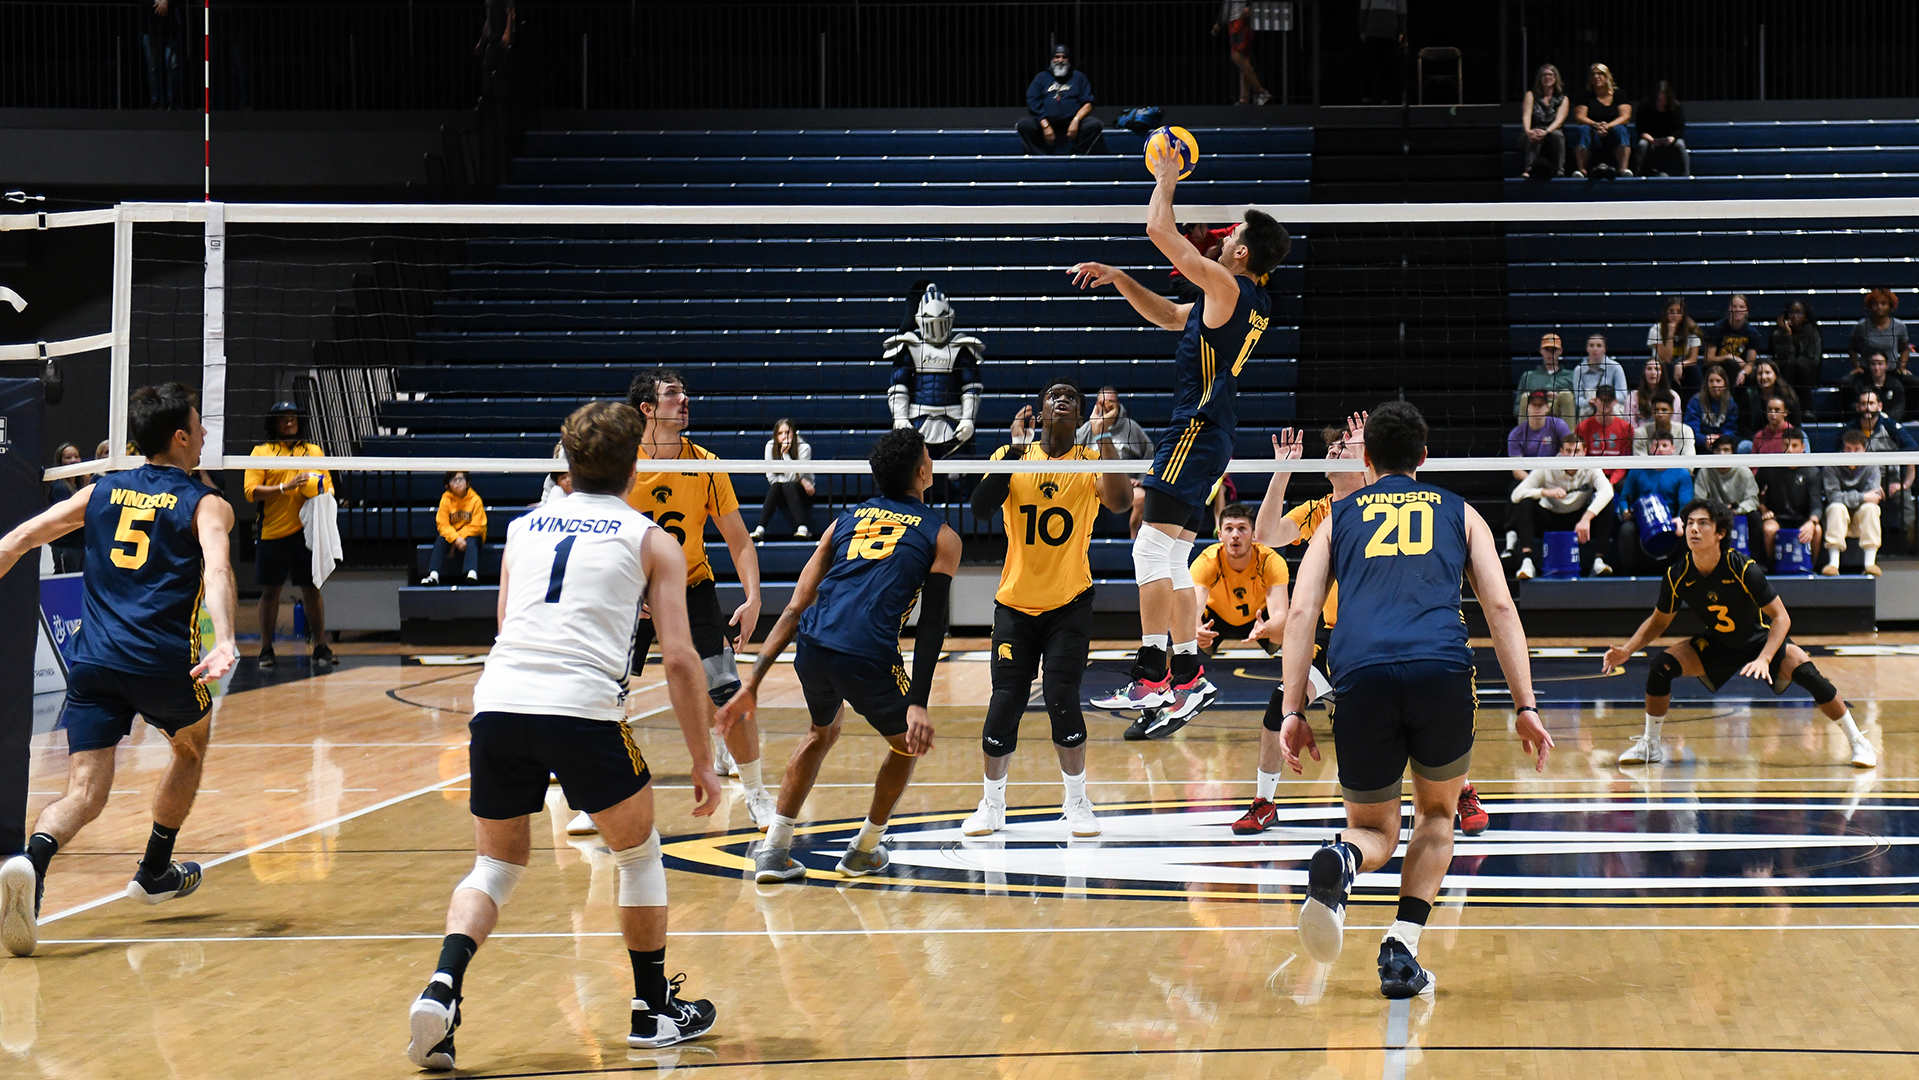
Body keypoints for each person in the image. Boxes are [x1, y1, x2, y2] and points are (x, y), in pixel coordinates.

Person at [403, 402, 723, 1071]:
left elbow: (504, 627)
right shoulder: (650, 539)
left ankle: (443, 985)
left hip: (499, 702)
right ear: (635, 465)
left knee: (494, 866)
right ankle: (650, 1011)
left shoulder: (521, 529)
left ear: (566, 461)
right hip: (580, 709)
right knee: (637, 854)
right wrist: (702, 758)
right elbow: (683, 658)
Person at [1278, 402, 1550, 998]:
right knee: (1436, 815)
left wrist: (1293, 710)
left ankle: (1342, 863)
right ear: (1424, 458)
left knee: (1373, 827)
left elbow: (1299, 613)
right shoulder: (1461, 511)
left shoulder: (1339, 515)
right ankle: (1402, 946)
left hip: (1360, 674)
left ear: (1366, 460)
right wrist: (1526, 705)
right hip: (1441, 670)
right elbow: (1501, 608)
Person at [0, 383, 238, 958]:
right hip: (160, 664)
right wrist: (226, 637)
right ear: (180, 438)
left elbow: (19, 539)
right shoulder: (207, 503)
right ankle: (155, 868)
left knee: (83, 791)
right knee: (191, 747)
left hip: (94, 662)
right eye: (200, 426)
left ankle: (32, 860)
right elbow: (220, 569)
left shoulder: (102, 491)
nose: (206, 435)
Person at [1068, 148, 1290, 726]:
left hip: (1195, 428)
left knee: (1147, 545)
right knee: (1171, 553)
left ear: (1240, 251)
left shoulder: (1227, 286)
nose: (1219, 237)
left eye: (1229, 234)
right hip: (1211, 433)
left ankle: (1150, 676)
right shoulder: (1236, 299)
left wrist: (1166, 177)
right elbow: (1171, 316)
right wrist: (1120, 279)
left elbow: (1157, 228)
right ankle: (1188, 674)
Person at [729, 429, 962, 883]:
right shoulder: (942, 535)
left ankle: (774, 850)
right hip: (869, 654)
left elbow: (796, 606)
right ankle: (864, 849)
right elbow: (932, 625)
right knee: (904, 745)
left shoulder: (846, 519)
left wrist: (752, 684)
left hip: (813, 646)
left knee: (821, 731)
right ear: (922, 470)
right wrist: (918, 701)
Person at [960, 378, 1131, 833]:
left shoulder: (1092, 461)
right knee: (1005, 702)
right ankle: (992, 805)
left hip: (1068, 604)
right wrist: (1016, 449)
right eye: (1055, 395)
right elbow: (979, 507)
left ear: (1078, 417)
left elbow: (1120, 501)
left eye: (1072, 397)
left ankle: (1076, 802)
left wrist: (1106, 440)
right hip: (1015, 605)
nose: (1064, 399)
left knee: (1060, 695)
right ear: (1039, 415)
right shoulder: (1011, 457)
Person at [1603, 498, 1874, 769]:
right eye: (1689, 524)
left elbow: (1781, 618)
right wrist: (1628, 649)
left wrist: (1765, 658)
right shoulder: (1678, 574)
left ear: (1720, 533)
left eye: (1702, 524)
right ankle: (1651, 744)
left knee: (1809, 675)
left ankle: (1859, 742)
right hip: (1719, 644)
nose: (1693, 529)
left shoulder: (1741, 567)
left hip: (1758, 641)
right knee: (1661, 666)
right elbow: (1659, 621)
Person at [623, 369, 773, 827]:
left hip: (691, 588)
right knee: (602, 699)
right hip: (631, 595)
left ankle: (757, 793)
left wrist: (753, 596)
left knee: (729, 693)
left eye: (684, 393)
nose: (685, 400)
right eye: (673, 395)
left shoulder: (706, 463)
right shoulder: (620, 463)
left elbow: (738, 538)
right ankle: (599, 797)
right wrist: (629, 586)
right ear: (647, 408)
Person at [244, 401, 333, 669]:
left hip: (306, 533)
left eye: (293, 417)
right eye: (283, 418)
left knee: (311, 589)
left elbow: (327, 486)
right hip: (272, 531)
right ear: (274, 423)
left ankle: (320, 645)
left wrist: (315, 487)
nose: (289, 422)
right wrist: (286, 486)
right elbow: (251, 492)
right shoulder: (261, 452)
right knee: (271, 591)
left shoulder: (313, 451)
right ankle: (266, 649)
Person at [886, 284, 985, 458]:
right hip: (918, 420)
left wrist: (968, 419)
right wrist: (900, 418)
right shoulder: (910, 347)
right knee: (917, 473)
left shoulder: (961, 348)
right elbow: (898, 387)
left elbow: (971, 389)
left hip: (953, 421)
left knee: (957, 476)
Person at [1191, 503, 1287, 660]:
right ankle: (1182, 677)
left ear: (1254, 535)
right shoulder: (1207, 561)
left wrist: (1266, 628)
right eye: (1229, 529)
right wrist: (1196, 629)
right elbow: (1193, 609)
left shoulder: (1270, 561)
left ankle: (1288, 681)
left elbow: (1280, 614)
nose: (1235, 535)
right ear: (1220, 535)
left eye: (1242, 528)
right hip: (1216, 618)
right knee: (1184, 626)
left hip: (1258, 618)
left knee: (1284, 630)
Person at [1511, 437, 1617, 579]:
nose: (1573, 455)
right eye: (1568, 451)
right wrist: (1544, 492)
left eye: (1577, 451)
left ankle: (1599, 560)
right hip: (1550, 518)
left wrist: (1587, 518)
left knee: (1607, 503)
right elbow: (1516, 495)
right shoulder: (1547, 466)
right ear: (1561, 451)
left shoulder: (1591, 467)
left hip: (1578, 520)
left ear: (1585, 452)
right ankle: (1527, 561)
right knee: (1525, 502)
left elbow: (1607, 491)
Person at [1615, 433, 1693, 575]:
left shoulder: (1682, 473)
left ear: (1673, 449)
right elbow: (1623, 498)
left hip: (1671, 520)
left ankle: (1681, 574)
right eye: (1656, 445)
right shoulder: (1637, 471)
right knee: (1627, 530)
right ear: (1650, 448)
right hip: (1642, 520)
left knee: (1687, 529)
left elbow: (1686, 504)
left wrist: (1680, 520)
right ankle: (1631, 576)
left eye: (1664, 446)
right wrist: (1625, 511)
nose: (1660, 449)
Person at [1852, 386, 1918, 549]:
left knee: (1905, 500)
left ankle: (1910, 549)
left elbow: (1913, 452)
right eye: (1863, 404)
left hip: (1891, 479)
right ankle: (1862, 551)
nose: (1867, 407)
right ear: (1857, 407)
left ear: (1879, 406)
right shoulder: (1850, 429)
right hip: (1862, 480)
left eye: (1871, 403)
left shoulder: (1890, 426)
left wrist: (1905, 484)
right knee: (1857, 502)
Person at [1018, 44, 1104, 155]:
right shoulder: (1041, 78)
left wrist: (1076, 120)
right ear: (1052, 59)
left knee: (1095, 124)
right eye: (1057, 57)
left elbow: (1088, 103)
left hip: (1071, 121)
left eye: (1064, 57)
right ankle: (1041, 158)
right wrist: (1046, 125)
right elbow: (1033, 101)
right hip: (1046, 120)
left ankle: (1076, 155)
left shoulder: (1078, 77)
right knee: (1024, 124)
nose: (1060, 60)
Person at [1821, 428, 1883, 577]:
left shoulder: (1872, 465)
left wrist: (1858, 499)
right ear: (1843, 449)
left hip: (1860, 519)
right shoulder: (1832, 465)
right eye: (1848, 449)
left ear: (1864, 450)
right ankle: (1833, 564)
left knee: (1871, 508)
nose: (1852, 454)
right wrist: (1862, 497)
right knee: (1837, 507)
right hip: (1838, 518)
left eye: (1856, 449)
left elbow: (1873, 497)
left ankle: (1870, 563)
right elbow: (1833, 497)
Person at [1758, 428, 1823, 565]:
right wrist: (1763, 509)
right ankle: (1771, 568)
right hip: (1778, 517)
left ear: (1803, 448)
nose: (1789, 450)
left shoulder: (1812, 471)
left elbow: (1817, 505)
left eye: (1794, 446)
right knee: (1769, 529)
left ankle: (1812, 567)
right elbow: (1753, 492)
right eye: (1786, 445)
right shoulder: (1770, 467)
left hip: (1802, 519)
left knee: (1817, 530)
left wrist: (1812, 522)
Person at [753, 419, 814, 542]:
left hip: (804, 494)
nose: (784, 436)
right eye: (780, 433)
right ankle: (760, 529)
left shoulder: (804, 448)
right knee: (777, 486)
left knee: (787, 486)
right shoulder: (770, 447)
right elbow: (771, 478)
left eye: (787, 432)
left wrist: (785, 455)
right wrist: (800, 479)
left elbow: (797, 476)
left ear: (794, 433)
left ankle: (802, 528)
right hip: (780, 494)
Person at [425, 471, 486, 586]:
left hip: (470, 535)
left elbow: (478, 525)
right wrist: (455, 539)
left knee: (472, 540)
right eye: (454, 480)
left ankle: (471, 572)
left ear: (467, 483)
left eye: (461, 479)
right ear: (447, 486)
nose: (458, 483)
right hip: (453, 537)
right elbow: (442, 525)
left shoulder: (475, 500)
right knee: (440, 540)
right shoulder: (445, 500)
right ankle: (433, 574)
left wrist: (458, 538)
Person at [1571, 63, 1632, 177]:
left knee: (1621, 129)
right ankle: (1581, 170)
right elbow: (1580, 117)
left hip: (1613, 130)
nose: (1596, 77)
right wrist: (1597, 125)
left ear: (1607, 76)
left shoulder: (1619, 94)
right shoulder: (1584, 95)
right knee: (1583, 129)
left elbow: (1625, 116)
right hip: (1593, 131)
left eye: (1600, 74)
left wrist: (1607, 126)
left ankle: (1623, 169)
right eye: (1593, 74)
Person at [1850, 289, 1913, 387]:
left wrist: (1902, 367)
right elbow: (1852, 348)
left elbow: (1905, 349)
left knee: (1914, 383)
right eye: (1875, 304)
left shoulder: (1899, 326)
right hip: (1867, 372)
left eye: (1883, 304)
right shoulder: (1861, 326)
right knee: (1845, 383)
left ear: (1890, 306)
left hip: (1892, 372)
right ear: (1870, 306)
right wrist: (1857, 366)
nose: (1879, 307)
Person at [1771, 299, 1824, 414]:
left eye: (1799, 312)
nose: (1795, 316)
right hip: (1786, 372)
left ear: (1805, 316)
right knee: (1791, 364)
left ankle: (1807, 410)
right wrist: (1788, 336)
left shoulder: (1812, 332)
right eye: (1792, 312)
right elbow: (1784, 359)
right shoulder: (1778, 334)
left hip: (1807, 373)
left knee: (1801, 366)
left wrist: (1797, 363)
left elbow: (1814, 359)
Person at [1734, 359, 1802, 448]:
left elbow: (1796, 424)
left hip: (1784, 438)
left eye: (1767, 373)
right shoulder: (1749, 395)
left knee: (1803, 438)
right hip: (1757, 439)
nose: (1763, 377)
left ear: (1775, 375)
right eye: (1760, 373)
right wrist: (1757, 439)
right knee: (1744, 446)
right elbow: (1743, 426)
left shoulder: (1787, 394)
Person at [1576, 383, 1635, 486]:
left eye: (1609, 400)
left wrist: (1612, 482)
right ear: (1595, 401)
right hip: (1591, 475)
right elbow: (1580, 458)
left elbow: (1624, 461)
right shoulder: (1582, 427)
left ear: (1615, 402)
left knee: (1624, 485)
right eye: (1602, 400)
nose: (1605, 403)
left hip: (1616, 476)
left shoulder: (1626, 428)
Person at [1214, 3, 1272, 106]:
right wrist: (1219, 22)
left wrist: (1252, 8)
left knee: (1236, 56)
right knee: (1243, 58)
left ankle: (1260, 91)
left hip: (1240, 23)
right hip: (1236, 22)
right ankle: (1244, 98)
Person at [1518, 64, 1569, 178]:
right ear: (1540, 79)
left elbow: (1559, 120)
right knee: (1535, 134)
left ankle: (1560, 171)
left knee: (1558, 136)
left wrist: (1546, 131)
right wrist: (1528, 131)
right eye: (1544, 75)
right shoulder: (1531, 95)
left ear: (1556, 78)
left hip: (1552, 131)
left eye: (1550, 75)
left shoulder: (1563, 98)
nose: (1547, 77)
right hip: (1534, 129)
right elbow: (1526, 115)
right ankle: (1528, 170)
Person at [1514, 331, 1575, 422]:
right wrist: (1537, 399)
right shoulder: (1529, 376)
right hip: (1535, 415)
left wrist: (1560, 398)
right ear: (1541, 351)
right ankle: (1525, 435)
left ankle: (1568, 436)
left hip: (1560, 416)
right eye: (1547, 349)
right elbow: (1517, 408)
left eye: (1554, 350)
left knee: (1566, 395)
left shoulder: (1571, 376)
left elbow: (1577, 407)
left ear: (1560, 351)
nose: (1550, 354)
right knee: (1525, 397)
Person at [1632, 80, 1689, 176]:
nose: (1661, 103)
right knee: (1642, 144)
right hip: (1650, 138)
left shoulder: (1675, 107)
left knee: (1680, 145)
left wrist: (1672, 137)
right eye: (1659, 100)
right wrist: (1650, 138)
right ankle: (1637, 174)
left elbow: (1680, 129)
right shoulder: (1644, 107)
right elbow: (1640, 128)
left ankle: (1685, 174)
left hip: (1669, 138)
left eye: (1664, 100)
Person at [46, 443, 87, 573]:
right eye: (68, 457)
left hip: (81, 546)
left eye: (76, 456)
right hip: (67, 548)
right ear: (60, 462)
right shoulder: (59, 487)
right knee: (66, 584)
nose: (73, 460)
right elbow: (69, 518)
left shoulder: (81, 485)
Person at [1703, 294, 1761, 386]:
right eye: (1734, 306)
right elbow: (1708, 360)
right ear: (1729, 308)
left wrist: (1743, 373)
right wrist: (1728, 357)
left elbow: (1750, 364)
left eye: (1741, 307)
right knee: (1731, 364)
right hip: (1717, 370)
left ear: (1747, 310)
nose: (1737, 309)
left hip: (1739, 372)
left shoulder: (1752, 333)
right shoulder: (1717, 329)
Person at [1694, 436, 1759, 517]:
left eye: (1726, 450)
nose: (1722, 454)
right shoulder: (1704, 472)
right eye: (1718, 450)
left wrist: (1736, 510)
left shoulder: (1744, 472)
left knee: (1755, 516)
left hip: (1738, 513)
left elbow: (1753, 500)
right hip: (1714, 514)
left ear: (1733, 453)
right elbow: (1699, 501)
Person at [1356, 0, 1405, 105]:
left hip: (1388, 31)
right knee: (1371, 66)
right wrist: (1362, 29)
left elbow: (1402, 10)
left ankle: (1384, 97)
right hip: (1374, 31)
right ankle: (1367, 96)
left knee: (1386, 67)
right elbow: (1364, 8)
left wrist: (1401, 30)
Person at [1647, 297, 1702, 387]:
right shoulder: (1656, 329)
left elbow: (1693, 359)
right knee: (1668, 367)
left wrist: (1680, 365)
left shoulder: (1691, 329)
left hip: (1683, 369)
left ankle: (1695, 400)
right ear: (1666, 313)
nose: (1675, 315)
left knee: (1693, 369)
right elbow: (1666, 359)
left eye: (1678, 311)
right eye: (1671, 311)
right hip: (1663, 369)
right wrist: (1670, 334)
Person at [1573, 333, 1629, 418]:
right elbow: (1578, 399)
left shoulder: (1615, 367)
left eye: (1599, 346)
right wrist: (1590, 401)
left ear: (1604, 349)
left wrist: (1606, 399)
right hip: (1589, 406)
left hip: (1611, 404)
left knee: (1617, 411)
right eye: (1591, 346)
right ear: (1587, 349)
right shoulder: (1579, 370)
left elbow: (1623, 394)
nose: (1595, 349)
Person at [1843, 351, 1906, 423]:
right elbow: (1856, 407)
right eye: (1873, 364)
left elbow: (1898, 409)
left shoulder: (1896, 385)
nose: (1877, 367)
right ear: (1869, 366)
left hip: (1889, 426)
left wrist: (1885, 422)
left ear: (1887, 365)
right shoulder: (1861, 385)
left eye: (1880, 364)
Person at [1684, 364, 1739, 445]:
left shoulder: (1730, 404)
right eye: (1711, 381)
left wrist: (1721, 440)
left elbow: (1731, 429)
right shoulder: (1696, 402)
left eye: (1718, 381)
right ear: (1707, 384)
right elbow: (1691, 429)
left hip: (1722, 445)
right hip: (1699, 445)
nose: (1714, 384)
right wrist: (1704, 440)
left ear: (1725, 384)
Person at [1508, 390, 1570, 459]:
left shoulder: (1559, 425)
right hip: (1529, 469)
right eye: (1534, 404)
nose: (1537, 408)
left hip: (1553, 468)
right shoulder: (1516, 434)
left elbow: (1570, 451)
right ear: (1527, 408)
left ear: (1547, 408)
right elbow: (1517, 467)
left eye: (1541, 405)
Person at [1628, 356, 1682, 427]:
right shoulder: (1633, 397)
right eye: (1649, 369)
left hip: (1666, 435)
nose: (1653, 372)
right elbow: (1630, 426)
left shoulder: (1673, 396)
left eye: (1657, 369)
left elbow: (1675, 423)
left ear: (1662, 373)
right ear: (1644, 373)